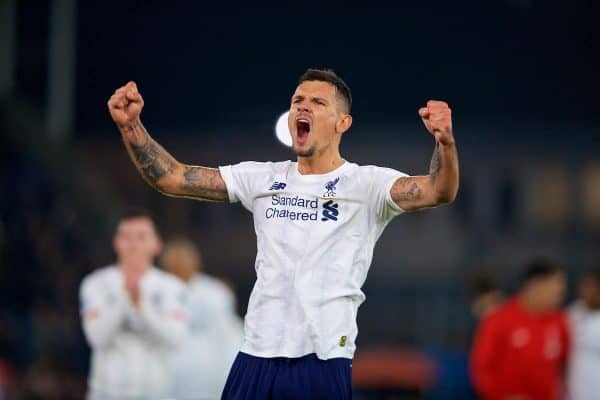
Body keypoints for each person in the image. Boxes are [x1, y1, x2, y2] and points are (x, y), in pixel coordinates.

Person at [107, 68, 459, 399]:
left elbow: (437, 191)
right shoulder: (262, 178)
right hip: (255, 356)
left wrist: (445, 143)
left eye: (317, 102)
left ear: (342, 123)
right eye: (297, 101)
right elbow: (173, 178)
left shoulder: (366, 184)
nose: (303, 106)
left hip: (322, 359)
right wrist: (131, 127)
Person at [79, 210, 187, 400]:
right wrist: (123, 298)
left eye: (142, 237)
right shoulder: (95, 283)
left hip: (157, 393)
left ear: (157, 244)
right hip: (107, 392)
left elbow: (175, 338)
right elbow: (96, 337)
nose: (134, 244)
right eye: (126, 237)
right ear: (116, 243)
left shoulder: (171, 286)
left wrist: (143, 306)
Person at [470, 258, 570, 400]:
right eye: (556, 291)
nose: (559, 297)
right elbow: (481, 369)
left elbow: (567, 366)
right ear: (536, 285)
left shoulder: (560, 322)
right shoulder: (498, 320)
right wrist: (500, 396)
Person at [161, 237, 243, 400]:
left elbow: (231, 336)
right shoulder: (155, 292)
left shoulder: (215, 293)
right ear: (165, 265)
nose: (179, 265)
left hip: (211, 381)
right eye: (175, 261)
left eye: (183, 260)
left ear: (196, 263)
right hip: (169, 384)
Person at [567, 266, 600, 400]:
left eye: (591, 287)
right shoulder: (572, 313)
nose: (586, 291)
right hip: (574, 392)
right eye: (584, 286)